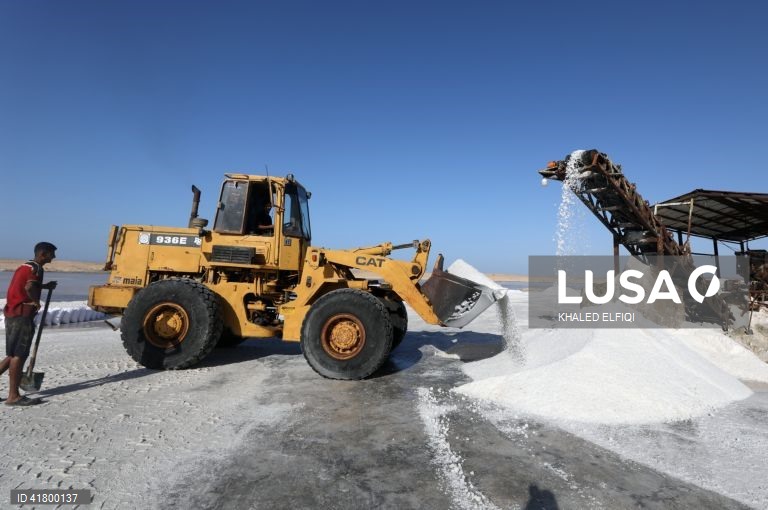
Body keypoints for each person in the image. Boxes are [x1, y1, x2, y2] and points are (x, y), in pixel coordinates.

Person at [1, 242, 58, 406]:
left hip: (11, 312)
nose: (54, 257)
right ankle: (13, 396)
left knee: (12, 354)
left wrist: (45, 286)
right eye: (51, 254)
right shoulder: (37, 269)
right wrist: (36, 301)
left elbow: (28, 284)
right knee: (19, 355)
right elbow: (29, 286)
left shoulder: (25, 266)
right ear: (43, 254)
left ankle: (13, 394)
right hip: (22, 315)